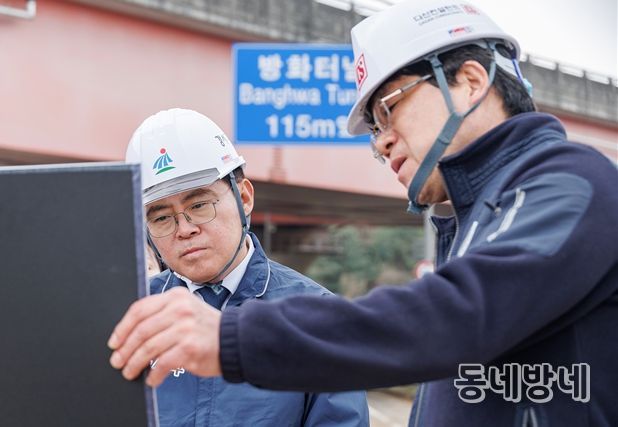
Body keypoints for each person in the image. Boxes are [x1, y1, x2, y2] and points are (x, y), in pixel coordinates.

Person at [109, 2, 618, 426]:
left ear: (469, 80)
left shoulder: (570, 183)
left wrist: (231, 337)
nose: (381, 142)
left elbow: (450, 318)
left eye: (388, 110)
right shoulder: (474, 225)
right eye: (373, 127)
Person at [121, 108, 369, 426]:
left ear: (245, 197)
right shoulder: (132, 315)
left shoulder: (317, 320)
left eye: (199, 205)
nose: (184, 229)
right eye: (161, 218)